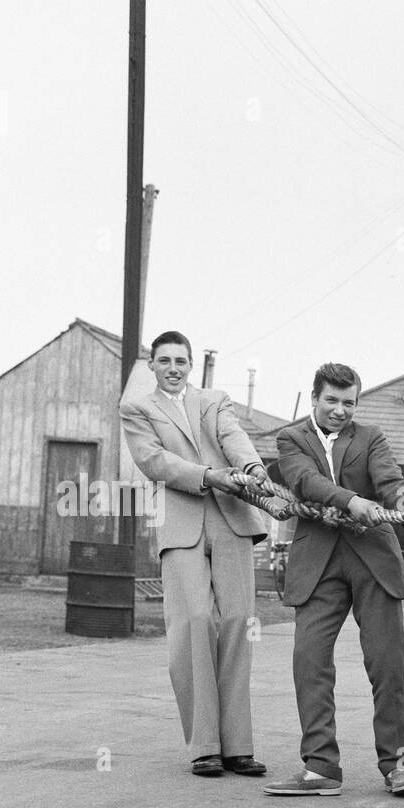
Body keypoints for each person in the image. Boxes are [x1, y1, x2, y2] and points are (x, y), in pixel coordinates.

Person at [265, 362, 404, 797]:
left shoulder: (371, 437)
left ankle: (397, 765)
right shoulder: (290, 439)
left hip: (373, 557)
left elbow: (391, 481)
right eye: (332, 401)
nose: (340, 410)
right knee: (310, 660)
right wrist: (351, 500)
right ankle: (321, 767)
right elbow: (304, 481)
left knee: (387, 664)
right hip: (318, 562)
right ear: (315, 398)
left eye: (349, 402)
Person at [121, 330, 269, 778]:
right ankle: (205, 745)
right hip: (182, 526)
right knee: (194, 623)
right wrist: (209, 476)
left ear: (190, 364)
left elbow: (234, 438)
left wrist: (253, 469)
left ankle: (237, 746)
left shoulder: (214, 400)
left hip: (232, 522)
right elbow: (154, 462)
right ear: (152, 365)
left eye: (180, 360)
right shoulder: (137, 409)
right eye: (163, 360)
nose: (173, 368)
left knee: (238, 622)